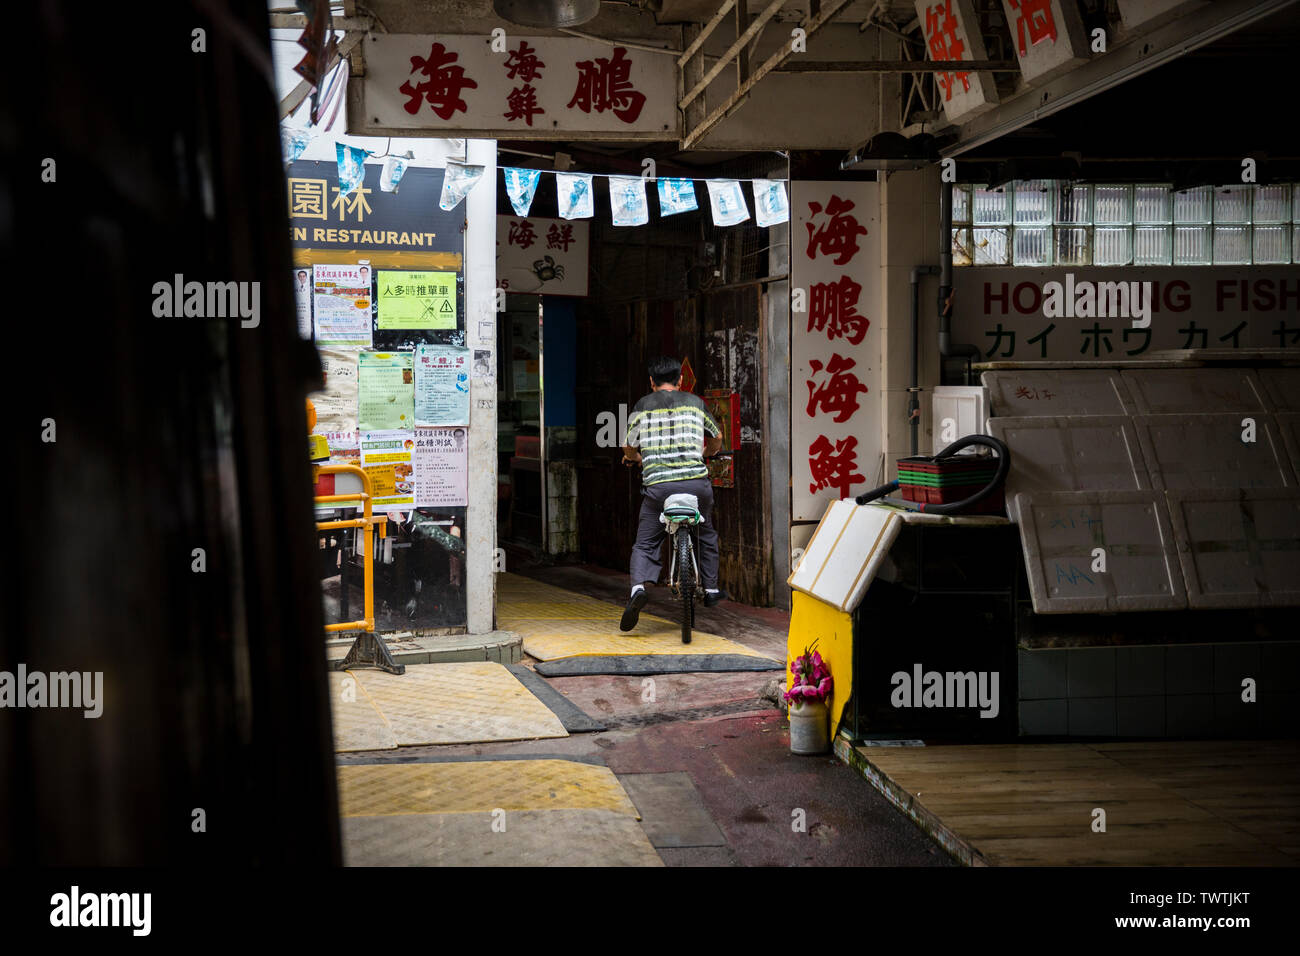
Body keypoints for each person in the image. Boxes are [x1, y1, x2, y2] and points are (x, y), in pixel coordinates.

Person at [620, 356, 727, 631]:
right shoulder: (695, 403)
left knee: (645, 543)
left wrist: (638, 458)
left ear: (652, 382)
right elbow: (717, 438)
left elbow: (628, 447)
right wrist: (708, 452)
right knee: (707, 532)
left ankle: (638, 589)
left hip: (659, 489)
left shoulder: (642, 406)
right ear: (680, 381)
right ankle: (712, 588)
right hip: (696, 485)